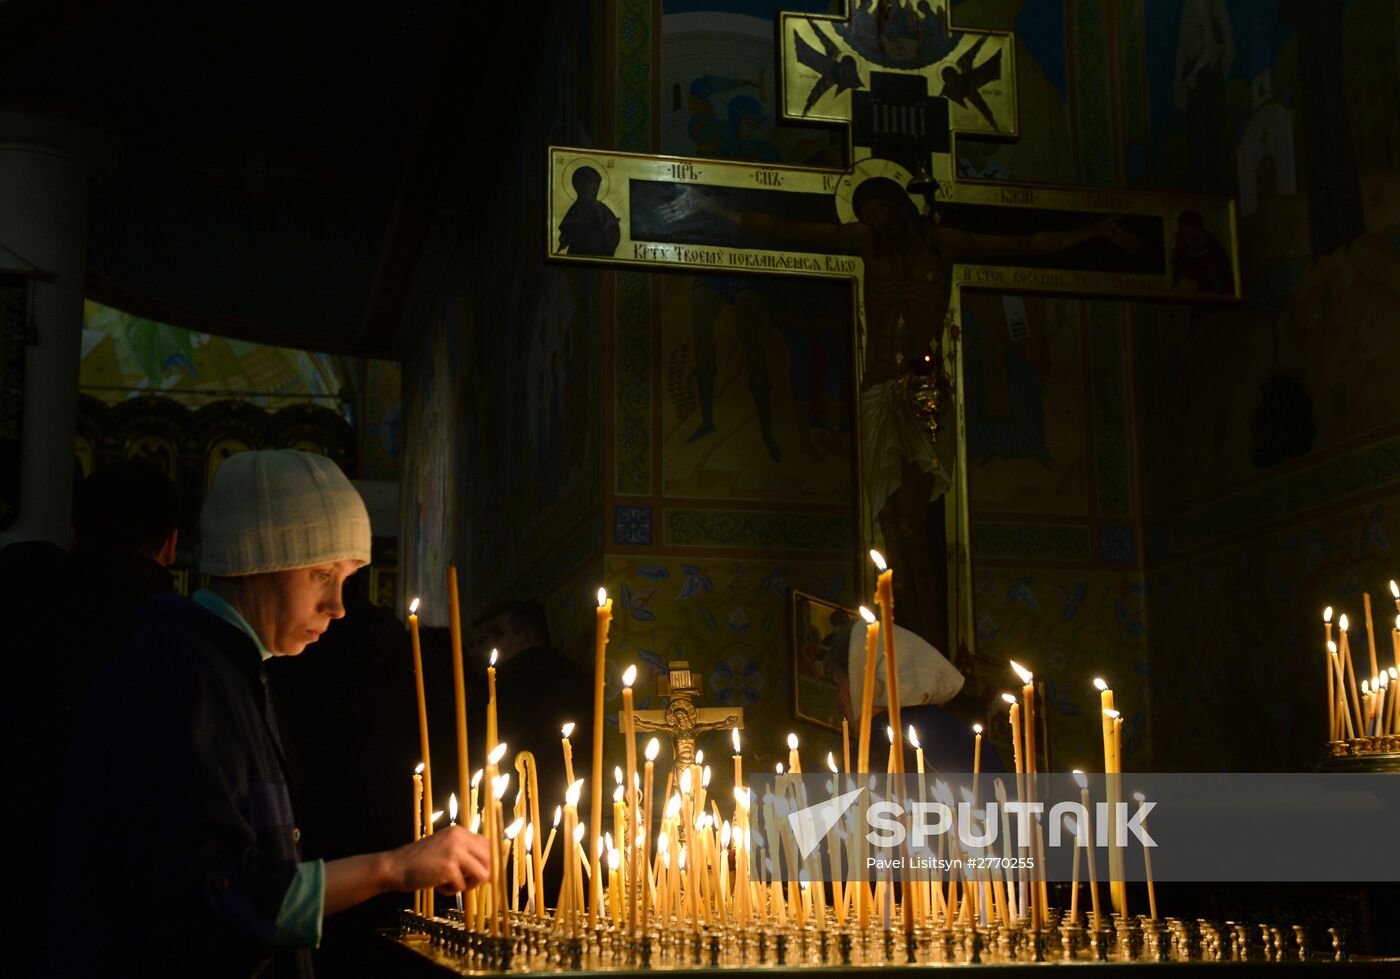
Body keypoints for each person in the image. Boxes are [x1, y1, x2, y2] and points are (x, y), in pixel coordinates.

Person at [50, 450, 490, 978]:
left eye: (346, 578)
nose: (338, 606)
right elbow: (213, 897)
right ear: (252, 562)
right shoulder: (175, 673)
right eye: (321, 574)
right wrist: (392, 867)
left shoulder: (236, 669)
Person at [825, 617, 1005, 776]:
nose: (838, 701)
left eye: (840, 686)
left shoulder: (881, 746)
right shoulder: (965, 734)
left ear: (866, 686)